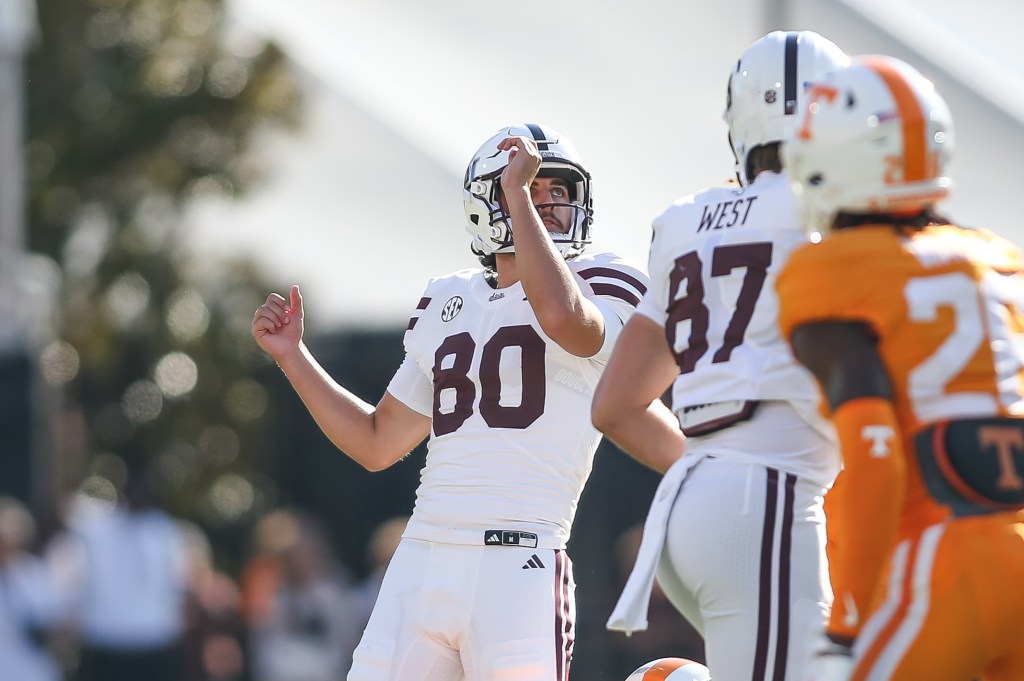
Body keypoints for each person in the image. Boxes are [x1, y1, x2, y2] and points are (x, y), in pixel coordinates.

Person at [251, 122, 648, 681]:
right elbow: (376, 441)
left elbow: (564, 320)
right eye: (532, 188)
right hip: (422, 555)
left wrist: (518, 197)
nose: (550, 203)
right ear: (486, 204)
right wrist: (293, 357)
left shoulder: (604, 278)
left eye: (558, 191)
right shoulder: (450, 297)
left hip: (520, 559)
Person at [591, 31, 848, 681]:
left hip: (695, 502)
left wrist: (712, 464)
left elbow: (617, 404)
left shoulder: (686, 221)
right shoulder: (831, 213)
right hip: (765, 506)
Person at [776, 55, 1024, 680]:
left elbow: (878, 456)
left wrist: (846, 625)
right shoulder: (1001, 261)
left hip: (950, 556)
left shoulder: (830, 273)